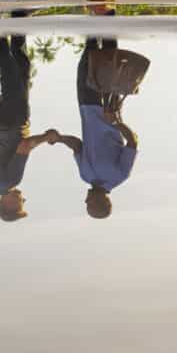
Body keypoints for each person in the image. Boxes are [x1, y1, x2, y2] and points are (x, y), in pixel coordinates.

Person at [35, 35, 140, 218]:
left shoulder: (85, 176)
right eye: (89, 204)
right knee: (109, 60)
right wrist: (116, 122)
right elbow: (132, 141)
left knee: (86, 62)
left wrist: (59, 139)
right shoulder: (120, 176)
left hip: (85, 106)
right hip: (108, 107)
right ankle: (107, 15)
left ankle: (93, 25)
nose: (85, 200)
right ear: (101, 202)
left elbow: (77, 145)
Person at [0, 34, 37, 222]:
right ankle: (18, 22)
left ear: (9, 205)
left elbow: (25, 146)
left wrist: (48, 137)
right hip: (4, 120)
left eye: (21, 203)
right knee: (21, 71)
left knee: (10, 71)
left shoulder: (11, 180)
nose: (23, 199)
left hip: (14, 120)